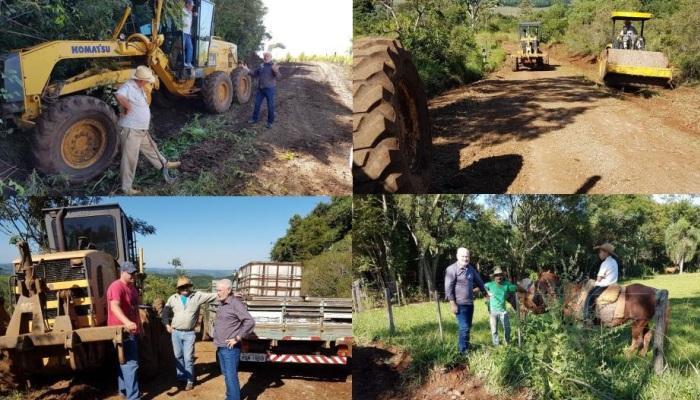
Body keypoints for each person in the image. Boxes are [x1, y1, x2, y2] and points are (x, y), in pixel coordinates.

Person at [115, 65, 180, 194]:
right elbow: (118, 95)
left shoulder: (139, 87)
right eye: (147, 80)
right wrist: (127, 107)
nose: (149, 82)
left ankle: (163, 164)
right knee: (130, 159)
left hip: (141, 129)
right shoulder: (128, 86)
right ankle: (126, 188)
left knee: (151, 148)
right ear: (141, 79)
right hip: (131, 130)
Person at [161, 276, 219, 391]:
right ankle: (181, 378)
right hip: (176, 333)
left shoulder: (197, 296)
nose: (185, 289)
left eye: (187, 286)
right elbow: (165, 313)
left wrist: (230, 294)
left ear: (190, 287)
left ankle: (190, 380)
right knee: (178, 356)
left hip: (189, 334)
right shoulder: (173, 298)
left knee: (188, 358)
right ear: (178, 288)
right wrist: (167, 325)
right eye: (182, 287)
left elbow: (214, 295)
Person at [213, 279, 255, 400]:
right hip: (221, 347)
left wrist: (237, 337)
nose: (218, 293)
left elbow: (249, 321)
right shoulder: (223, 302)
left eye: (220, 290)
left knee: (231, 376)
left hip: (230, 348)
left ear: (229, 290)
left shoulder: (235, 304)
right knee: (226, 374)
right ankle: (230, 396)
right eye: (217, 290)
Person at [106, 261, 141, 400]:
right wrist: (127, 322)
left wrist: (140, 326)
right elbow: (114, 306)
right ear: (122, 272)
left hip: (132, 330)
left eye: (134, 273)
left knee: (123, 362)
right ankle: (134, 397)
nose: (133, 275)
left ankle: (124, 392)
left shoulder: (132, 288)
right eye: (130, 273)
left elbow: (135, 308)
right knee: (131, 364)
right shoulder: (116, 286)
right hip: (121, 331)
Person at [444, 247, 489, 354]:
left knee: (468, 327)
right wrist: (452, 304)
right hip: (459, 304)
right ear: (457, 256)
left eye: (467, 256)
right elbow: (448, 287)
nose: (465, 258)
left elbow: (479, 281)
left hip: (469, 303)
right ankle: (462, 352)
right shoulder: (452, 269)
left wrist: (485, 293)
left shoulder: (470, 269)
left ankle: (466, 347)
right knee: (464, 328)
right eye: (463, 256)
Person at [484, 267, 522, 346]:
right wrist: (486, 294)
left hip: (503, 311)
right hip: (492, 311)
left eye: (500, 275)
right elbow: (482, 287)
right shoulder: (489, 285)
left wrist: (526, 290)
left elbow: (516, 288)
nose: (499, 277)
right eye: (497, 275)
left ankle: (507, 343)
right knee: (494, 330)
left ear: (503, 276)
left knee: (507, 328)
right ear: (494, 277)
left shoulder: (506, 285)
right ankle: (496, 345)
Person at [584, 243, 619, 323]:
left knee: (590, 296)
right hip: (612, 284)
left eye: (600, 252)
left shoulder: (605, 263)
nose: (599, 254)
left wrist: (596, 280)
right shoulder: (614, 261)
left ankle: (587, 317)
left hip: (604, 285)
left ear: (606, 253)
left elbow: (599, 278)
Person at [246, 52, 280, 129]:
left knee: (270, 106)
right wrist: (247, 70)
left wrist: (276, 71)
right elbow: (254, 74)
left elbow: (278, 77)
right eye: (264, 56)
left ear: (271, 57)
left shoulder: (273, 66)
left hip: (270, 89)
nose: (265, 57)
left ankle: (270, 122)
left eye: (267, 56)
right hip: (260, 89)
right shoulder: (261, 66)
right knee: (257, 104)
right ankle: (254, 119)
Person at [182, 0, 195, 68]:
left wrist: (192, 14)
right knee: (182, 48)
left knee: (190, 48)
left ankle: (188, 63)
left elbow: (189, 23)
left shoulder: (190, 13)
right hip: (183, 32)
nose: (192, 7)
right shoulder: (182, 11)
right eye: (191, 5)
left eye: (192, 6)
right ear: (187, 4)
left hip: (188, 33)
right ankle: (183, 63)